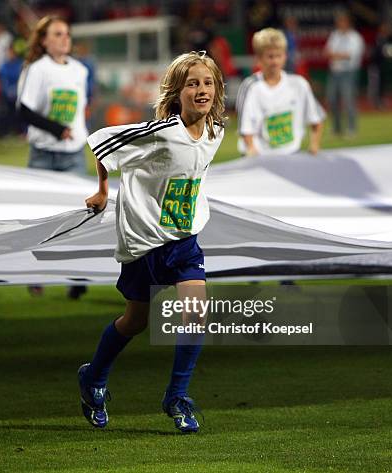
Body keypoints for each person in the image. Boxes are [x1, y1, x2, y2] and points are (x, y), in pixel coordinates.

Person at [78, 51, 225, 433]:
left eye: (207, 83)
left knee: (196, 314)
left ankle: (177, 397)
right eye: (192, 83)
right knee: (135, 321)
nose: (201, 89)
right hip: (142, 242)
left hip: (183, 239)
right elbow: (101, 142)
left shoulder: (215, 131)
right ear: (177, 92)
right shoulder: (161, 133)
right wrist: (101, 191)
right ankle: (93, 378)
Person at [17, 15, 89, 299]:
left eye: (67, 33)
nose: (64, 38)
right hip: (43, 154)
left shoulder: (81, 70)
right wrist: (57, 129)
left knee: (79, 219)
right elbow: (24, 110)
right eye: (57, 34)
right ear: (44, 40)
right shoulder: (37, 70)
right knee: (41, 219)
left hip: (73, 155)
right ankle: (35, 275)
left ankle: (78, 276)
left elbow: (81, 107)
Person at [236, 28, 325, 156]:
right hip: (260, 158)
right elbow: (245, 127)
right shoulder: (250, 86)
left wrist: (314, 144)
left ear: (285, 56)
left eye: (279, 56)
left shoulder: (299, 84)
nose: (275, 61)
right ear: (259, 58)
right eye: (270, 56)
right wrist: (251, 150)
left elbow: (316, 118)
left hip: (291, 156)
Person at [324, 11, 364, 137]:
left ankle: (351, 128)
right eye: (339, 22)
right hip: (335, 72)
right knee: (332, 100)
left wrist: (335, 55)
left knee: (348, 100)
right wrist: (337, 55)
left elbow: (349, 55)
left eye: (342, 21)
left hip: (349, 73)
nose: (340, 24)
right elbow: (326, 52)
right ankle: (336, 128)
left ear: (348, 23)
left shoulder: (355, 37)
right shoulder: (335, 35)